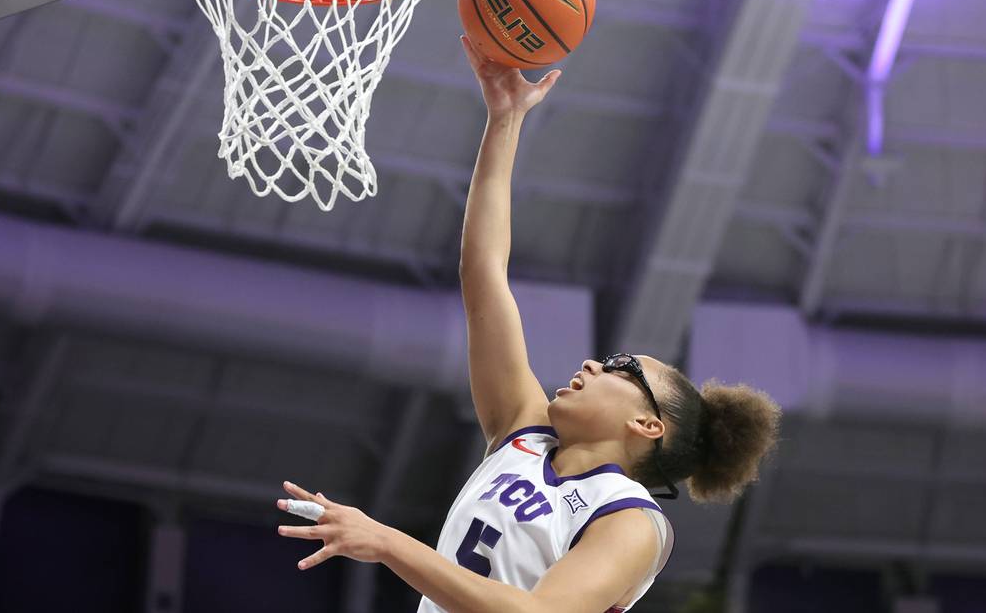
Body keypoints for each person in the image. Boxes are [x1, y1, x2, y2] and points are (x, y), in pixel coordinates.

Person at [275, 36, 782, 612]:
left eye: (620, 368)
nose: (594, 363)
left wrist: (388, 542)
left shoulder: (631, 519)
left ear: (647, 423)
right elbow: (485, 275)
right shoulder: (523, 430)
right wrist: (505, 120)